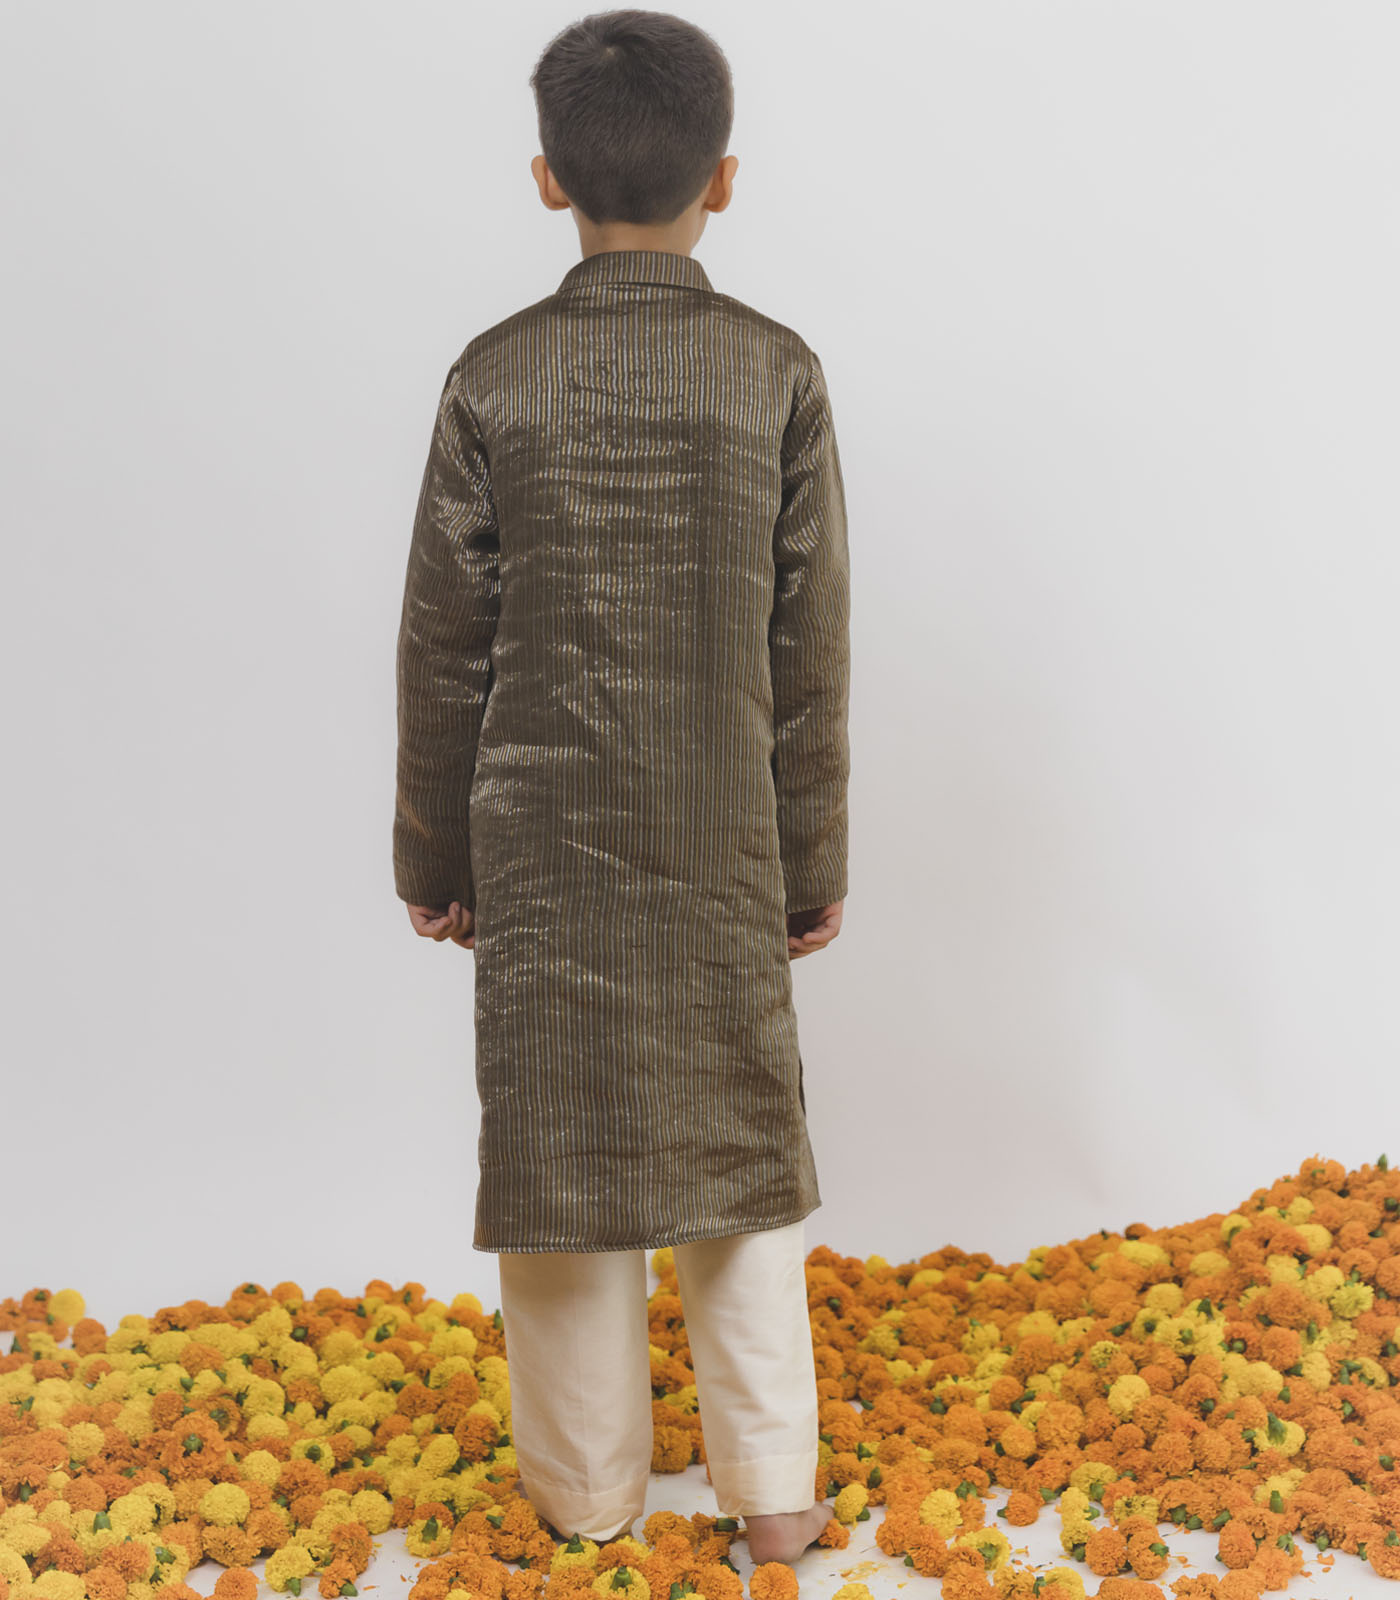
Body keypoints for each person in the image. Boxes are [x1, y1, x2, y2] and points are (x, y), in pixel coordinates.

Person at [392, 7, 850, 1569]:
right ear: (723, 178)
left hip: (542, 846)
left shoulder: (493, 377)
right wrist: (809, 859)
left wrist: (433, 853)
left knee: (560, 1154)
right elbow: (808, 652)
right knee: (741, 1149)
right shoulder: (774, 373)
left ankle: (587, 1499)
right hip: (724, 837)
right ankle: (772, 1492)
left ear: (547, 177)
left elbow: (443, 645)